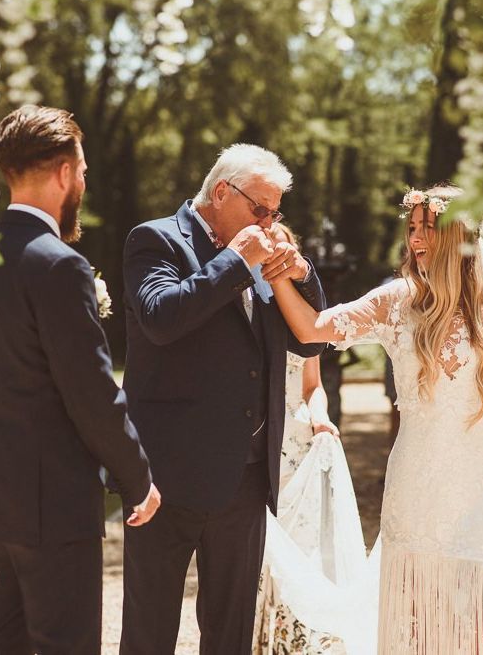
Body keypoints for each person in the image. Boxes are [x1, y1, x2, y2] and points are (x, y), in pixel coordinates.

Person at [263, 185, 483, 654]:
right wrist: (276, 279)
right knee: (414, 607)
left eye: (427, 228)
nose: (415, 238)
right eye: (411, 228)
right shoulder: (395, 301)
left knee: (479, 610)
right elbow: (313, 328)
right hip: (416, 483)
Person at [120, 144, 327, 655]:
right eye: (260, 209)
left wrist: (300, 272)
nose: (269, 222)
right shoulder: (155, 240)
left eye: (275, 213)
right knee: (150, 631)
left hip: (247, 475)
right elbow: (161, 317)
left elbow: (311, 339)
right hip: (167, 478)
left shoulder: (261, 251)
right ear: (220, 192)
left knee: (230, 633)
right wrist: (237, 260)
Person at [0, 105, 160, 655]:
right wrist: (138, 477)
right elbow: (91, 393)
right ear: (61, 173)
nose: (82, 182)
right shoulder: (59, 265)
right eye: (81, 171)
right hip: (52, 511)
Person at [253, 224, 363, 655]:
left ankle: (291, 642)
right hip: (261, 439)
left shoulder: (304, 313)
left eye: (284, 246)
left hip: (298, 442)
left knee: (299, 549)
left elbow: (312, 384)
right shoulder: (246, 307)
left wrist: (320, 418)